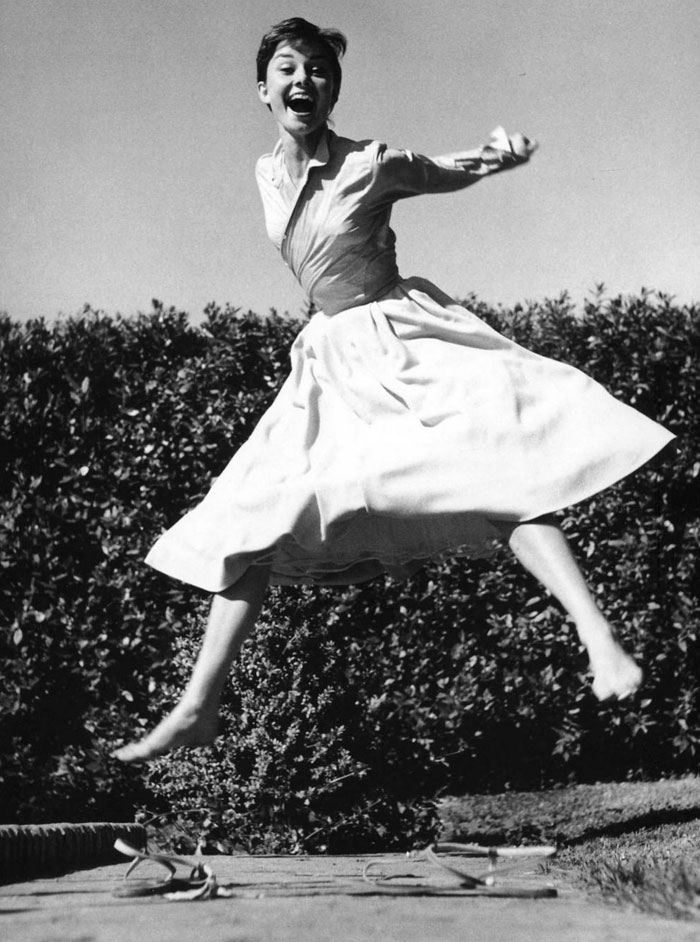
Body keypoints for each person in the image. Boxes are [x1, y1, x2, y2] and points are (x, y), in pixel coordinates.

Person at [113, 18, 674, 763]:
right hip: (328, 362)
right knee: (251, 515)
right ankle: (196, 707)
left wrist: (497, 156)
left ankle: (598, 637)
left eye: (318, 69)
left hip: (400, 341)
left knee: (494, 476)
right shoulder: (264, 172)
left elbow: (440, 169)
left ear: (333, 90)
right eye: (288, 68)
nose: (303, 80)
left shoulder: (369, 163)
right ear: (263, 90)